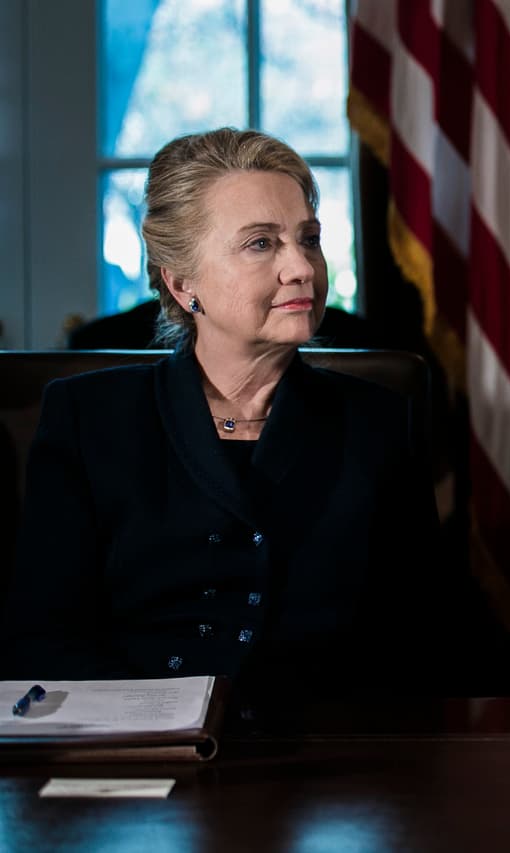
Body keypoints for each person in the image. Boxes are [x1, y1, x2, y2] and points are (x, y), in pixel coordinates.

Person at [0, 128, 444, 720]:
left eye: (308, 239)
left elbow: (427, 638)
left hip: (330, 761)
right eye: (261, 244)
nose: (301, 268)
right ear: (183, 284)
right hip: (136, 754)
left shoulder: (378, 421)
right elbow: (42, 639)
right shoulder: (87, 418)